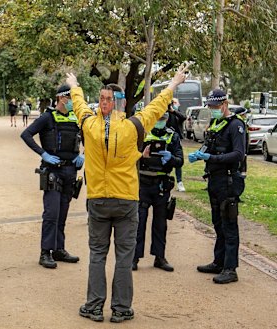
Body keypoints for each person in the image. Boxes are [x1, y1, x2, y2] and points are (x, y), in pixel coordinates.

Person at [66, 63, 189, 323]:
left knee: (97, 254)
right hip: (126, 200)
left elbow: (78, 105)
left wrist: (74, 86)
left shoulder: (89, 125)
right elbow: (157, 107)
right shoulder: (133, 125)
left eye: (102, 99)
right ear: (121, 104)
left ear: (102, 103)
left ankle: (95, 305)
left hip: (99, 198)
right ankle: (121, 308)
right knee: (124, 256)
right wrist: (174, 83)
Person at [20, 84, 84, 269]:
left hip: (70, 171)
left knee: (62, 213)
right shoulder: (47, 118)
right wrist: (43, 154)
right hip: (52, 172)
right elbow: (26, 134)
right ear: (62, 98)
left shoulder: (76, 118)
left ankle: (59, 249)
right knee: (51, 213)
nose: (74, 101)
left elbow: (88, 137)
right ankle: (45, 252)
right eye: (71, 98)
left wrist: (83, 156)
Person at [189, 89, 246, 284]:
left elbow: (239, 154)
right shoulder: (216, 123)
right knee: (218, 223)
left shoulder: (236, 125)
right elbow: (208, 145)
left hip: (229, 180)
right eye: (210, 107)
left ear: (225, 104)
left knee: (229, 224)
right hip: (214, 180)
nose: (213, 110)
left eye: (215, 107)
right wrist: (199, 154)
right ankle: (219, 261)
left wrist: (212, 158)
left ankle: (231, 269)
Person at [133, 112, 184, 272]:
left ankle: (159, 257)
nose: (159, 122)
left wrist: (171, 159)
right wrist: (142, 156)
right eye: (157, 120)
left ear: (167, 120)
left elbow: (180, 160)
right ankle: (134, 257)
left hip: (162, 185)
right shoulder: (142, 133)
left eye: (162, 120)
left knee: (160, 223)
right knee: (139, 222)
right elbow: (128, 156)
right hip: (143, 184)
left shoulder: (172, 136)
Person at [166, 98, 187, 191]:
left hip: (176, 140)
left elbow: (184, 117)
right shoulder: (166, 113)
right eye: (171, 102)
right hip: (166, 139)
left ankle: (179, 182)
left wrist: (173, 111)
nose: (173, 104)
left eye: (175, 102)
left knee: (178, 160)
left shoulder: (177, 113)